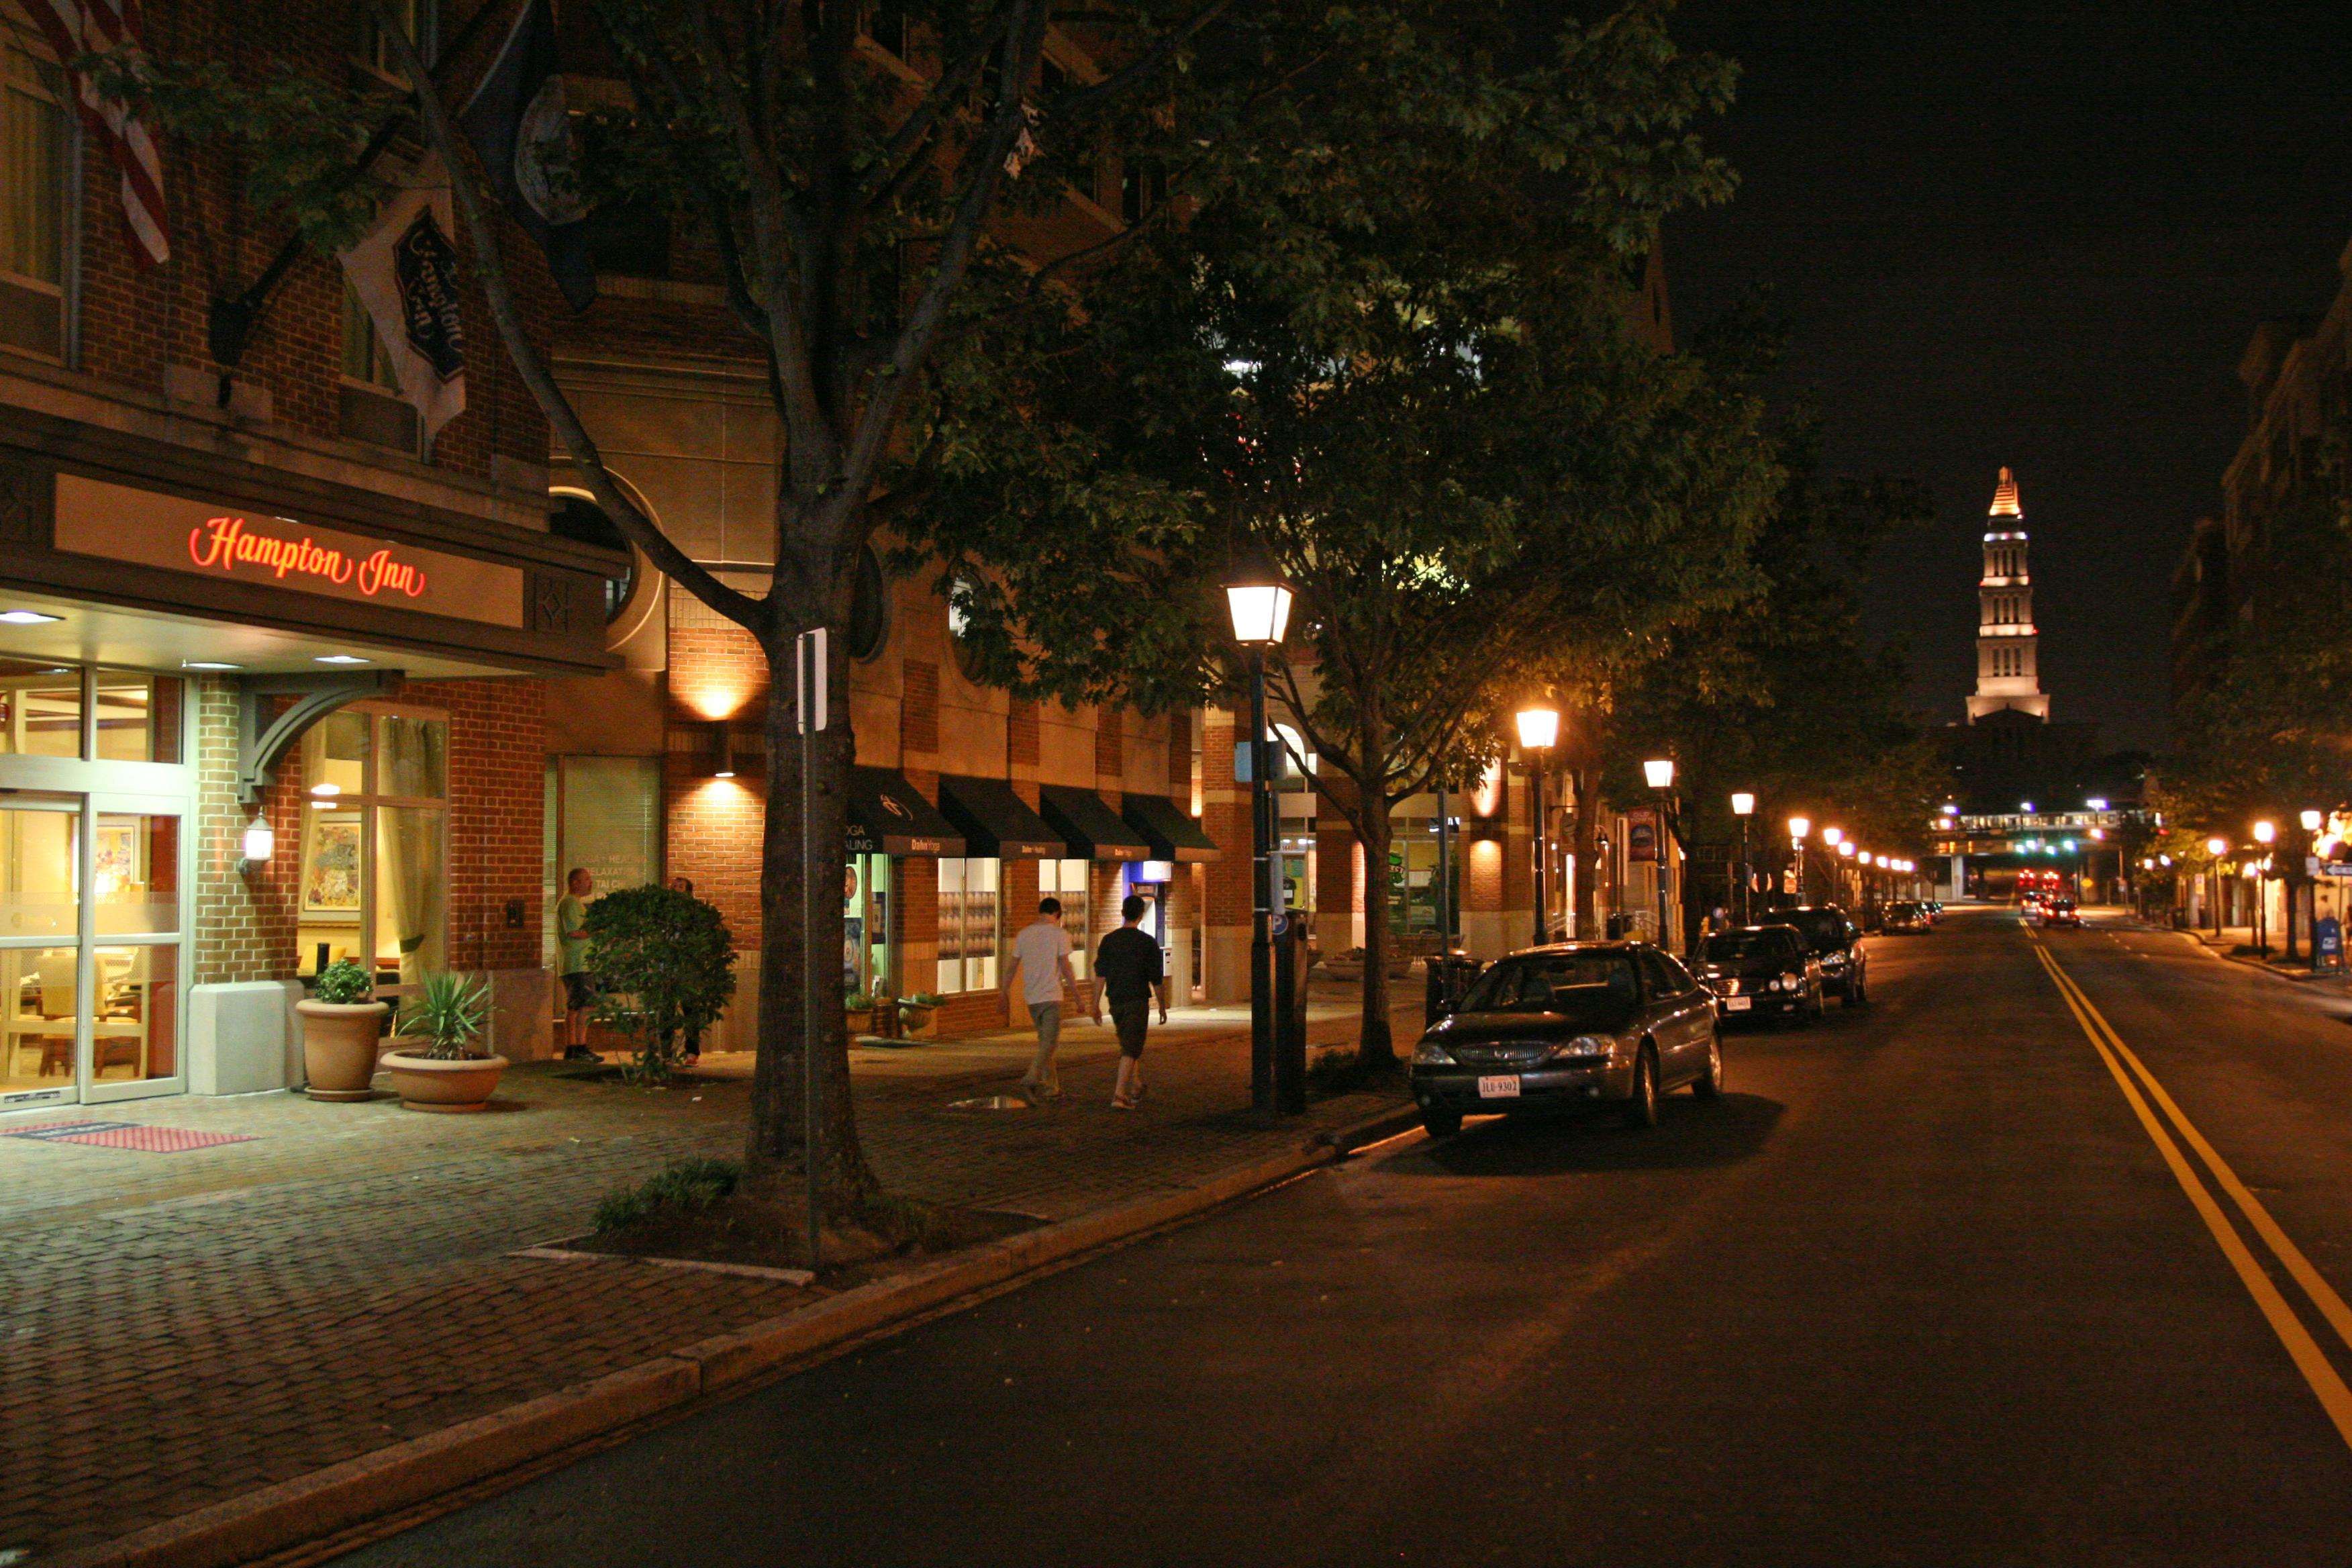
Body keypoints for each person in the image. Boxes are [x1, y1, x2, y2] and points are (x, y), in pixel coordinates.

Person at [1095, 895, 1169, 1110]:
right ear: (1141, 915)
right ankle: (1119, 1095)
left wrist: (1094, 1004)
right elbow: (1156, 978)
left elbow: (1101, 974)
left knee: (1129, 1042)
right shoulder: (1147, 943)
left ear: (1122, 913)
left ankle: (1135, 1084)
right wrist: (1162, 1005)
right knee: (1131, 1047)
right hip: (1136, 1000)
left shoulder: (1109, 941)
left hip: (1115, 1000)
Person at [1001, 897, 1077, 1104]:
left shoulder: (1024, 935)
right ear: (1057, 914)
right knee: (1050, 1042)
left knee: (1045, 1041)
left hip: (1032, 997)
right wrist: (1077, 996)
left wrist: (1004, 992)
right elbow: (1066, 968)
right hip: (1051, 995)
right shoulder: (1060, 934)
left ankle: (1052, 1086)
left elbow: (1012, 966)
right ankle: (1032, 1076)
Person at [555, 867, 598, 1061]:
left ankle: (580, 1045)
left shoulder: (575, 903)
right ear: (575, 883)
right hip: (576, 963)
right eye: (587, 880)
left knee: (586, 1006)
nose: (591, 883)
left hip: (582, 963)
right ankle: (573, 1047)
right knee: (576, 1006)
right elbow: (574, 932)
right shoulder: (570, 903)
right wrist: (598, 931)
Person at [667, 876, 702, 1065]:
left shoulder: (694, 911)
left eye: (680, 886)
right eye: (674, 886)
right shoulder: (665, 912)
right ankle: (667, 1052)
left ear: (688, 891)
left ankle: (692, 1052)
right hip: (669, 965)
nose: (676, 889)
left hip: (687, 966)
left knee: (690, 1008)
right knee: (667, 1009)